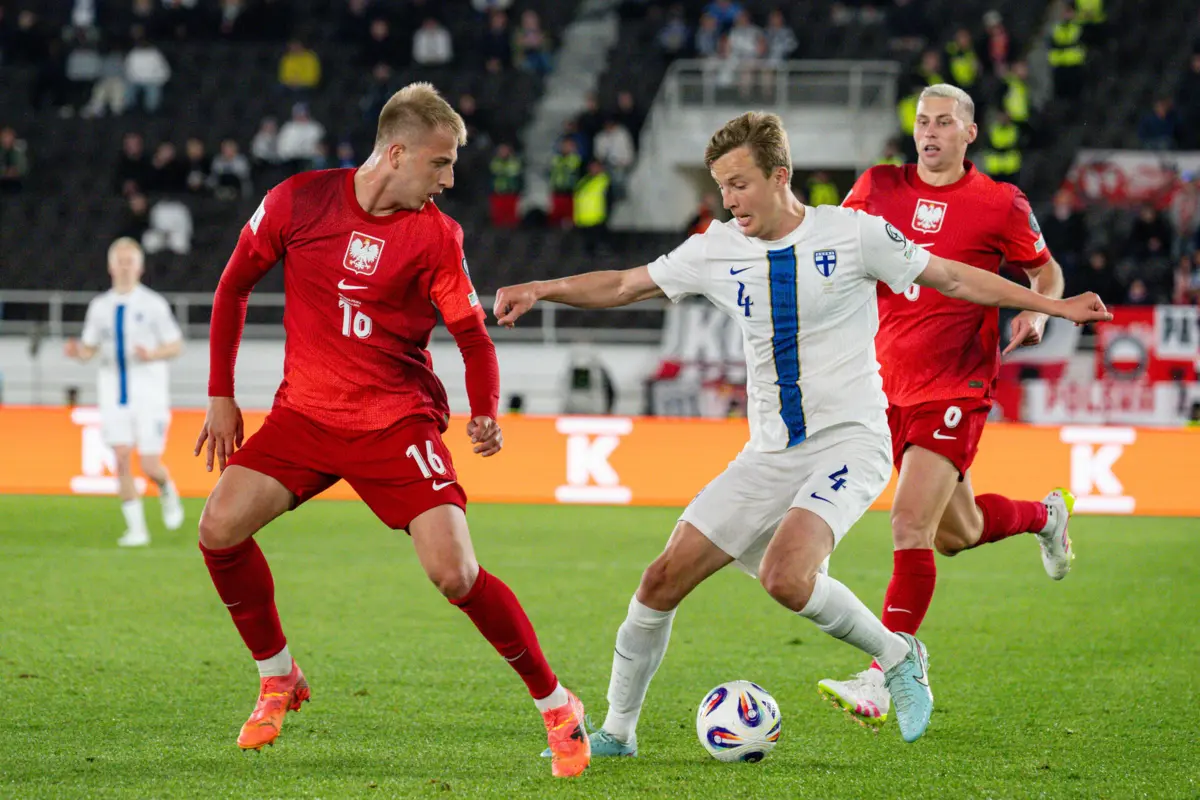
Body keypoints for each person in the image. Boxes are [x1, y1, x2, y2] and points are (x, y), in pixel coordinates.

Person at [493, 111, 1110, 753]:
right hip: (767, 454)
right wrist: (542, 287)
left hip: (851, 441)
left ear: (779, 176)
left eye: (740, 184)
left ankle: (899, 658)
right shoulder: (716, 248)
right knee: (659, 581)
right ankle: (619, 733)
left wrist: (1053, 305)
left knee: (787, 576)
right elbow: (623, 284)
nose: (729, 201)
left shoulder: (853, 234)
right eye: (721, 187)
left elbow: (953, 276)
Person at [191, 83, 589, 778]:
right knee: (218, 528)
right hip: (306, 415)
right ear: (397, 153)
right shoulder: (298, 200)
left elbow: (472, 337)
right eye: (441, 163)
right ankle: (278, 675)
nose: (450, 178)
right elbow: (232, 286)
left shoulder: (436, 236)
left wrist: (485, 408)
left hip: (392, 422)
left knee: (455, 572)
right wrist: (220, 395)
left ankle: (558, 705)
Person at [820, 84, 1084, 728]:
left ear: (969, 133)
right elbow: (839, 254)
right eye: (921, 122)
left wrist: (1036, 315)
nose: (929, 132)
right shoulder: (878, 186)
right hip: (885, 383)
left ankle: (887, 670)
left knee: (909, 527)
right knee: (953, 535)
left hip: (957, 383)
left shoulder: (999, 203)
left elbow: (1045, 275)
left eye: (944, 122)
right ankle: (1044, 516)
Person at [64, 238, 186, 547]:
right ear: (110, 266)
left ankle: (166, 488)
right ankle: (137, 530)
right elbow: (89, 348)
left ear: (140, 266)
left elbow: (176, 344)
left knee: (148, 465)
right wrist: (78, 351)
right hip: (113, 394)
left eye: (129, 260)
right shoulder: (99, 307)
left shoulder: (153, 305)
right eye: (119, 260)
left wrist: (152, 354)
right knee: (120, 458)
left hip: (149, 395)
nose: (124, 266)